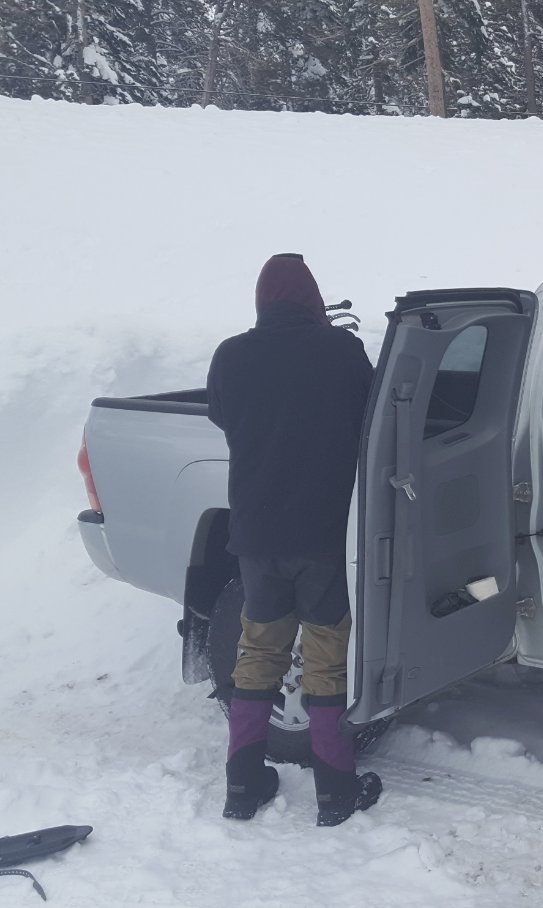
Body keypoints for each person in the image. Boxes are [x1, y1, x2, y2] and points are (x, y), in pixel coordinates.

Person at [206, 253, 381, 826]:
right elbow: (375, 417)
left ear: (262, 301)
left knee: (258, 653)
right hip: (321, 534)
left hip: (256, 536)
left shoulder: (231, 355)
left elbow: (221, 415)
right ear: (312, 300)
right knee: (326, 658)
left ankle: (242, 785)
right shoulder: (341, 351)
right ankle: (335, 792)